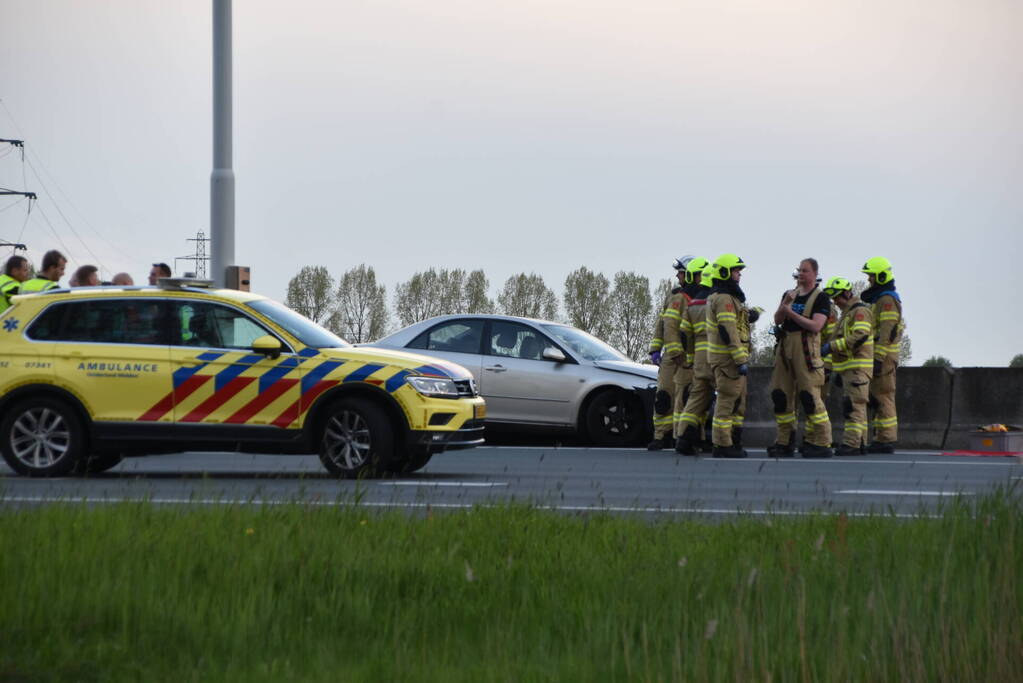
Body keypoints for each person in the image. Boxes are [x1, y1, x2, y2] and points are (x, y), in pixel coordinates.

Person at [767, 258, 833, 458]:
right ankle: (784, 440)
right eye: (799, 270)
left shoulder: (821, 298)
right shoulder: (789, 295)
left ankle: (822, 441)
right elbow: (778, 319)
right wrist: (784, 306)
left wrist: (791, 313)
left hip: (805, 347)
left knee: (809, 396)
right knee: (781, 395)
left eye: (805, 271)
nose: (801, 274)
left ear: (814, 273)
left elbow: (816, 326)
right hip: (785, 346)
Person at [821, 277, 874, 455]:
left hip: (857, 368)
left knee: (853, 406)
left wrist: (832, 347)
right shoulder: (847, 313)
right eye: (834, 299)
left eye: (838, 298)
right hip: (848, 369)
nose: (836, 302)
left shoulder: (859, 311)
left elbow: (860, 335)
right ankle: (859, 443)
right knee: (856, 405)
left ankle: (851, 444)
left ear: (847, 293)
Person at [706, 253, 750, 458]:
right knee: (726, 402)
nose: (739, 274)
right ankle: (723, 445)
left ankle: (730, 441)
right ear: (724, 272)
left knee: (734, 402)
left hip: (725, 358)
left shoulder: (722, 296)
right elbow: (728, 330)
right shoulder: (724, 298)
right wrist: (740, 358)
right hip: (728, 360)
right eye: (735, 271)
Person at [860, 256, 904, 453]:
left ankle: (885, 438)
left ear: (881, 276)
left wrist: (877, 359)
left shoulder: (887, 299)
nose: (869, 280)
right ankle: (881, 437)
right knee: (878, 396)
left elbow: (887, 332)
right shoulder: (882, 298)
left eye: (871, 276)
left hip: (884, 356)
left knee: (883, 396)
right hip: (881, 355)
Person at [646, 257, 691, 450]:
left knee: (685, 398)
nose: (677, 275)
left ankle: (680, 435)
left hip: (689, 356)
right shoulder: (674, 296)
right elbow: (663, 324)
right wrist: (655, 348)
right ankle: (661, 435)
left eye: (681, 272)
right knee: (663, 396)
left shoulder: (701, 296)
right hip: (671, 356)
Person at [674, 260, 714, 454]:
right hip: (719, 360)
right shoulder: (719, 301)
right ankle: (727, 443)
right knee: (729, 399)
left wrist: (690, 356)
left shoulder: (692, 303)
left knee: (696, 399)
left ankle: (684, 439)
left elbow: (684, 333)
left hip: (698, 360)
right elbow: (729, 330)